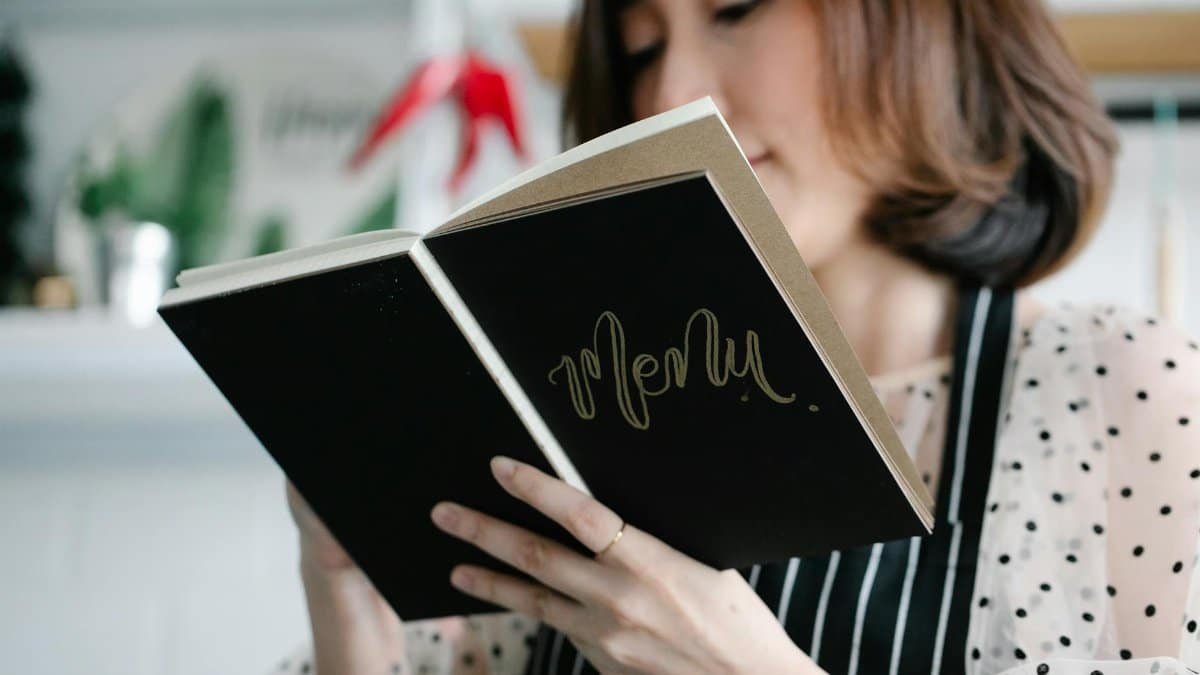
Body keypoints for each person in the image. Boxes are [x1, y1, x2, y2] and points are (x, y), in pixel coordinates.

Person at [270, 1, 1200, 673]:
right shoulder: (577, 419)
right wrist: (347, 605)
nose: (672, 91)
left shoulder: (1128, 396)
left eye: (735, 10)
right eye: (641, 48)